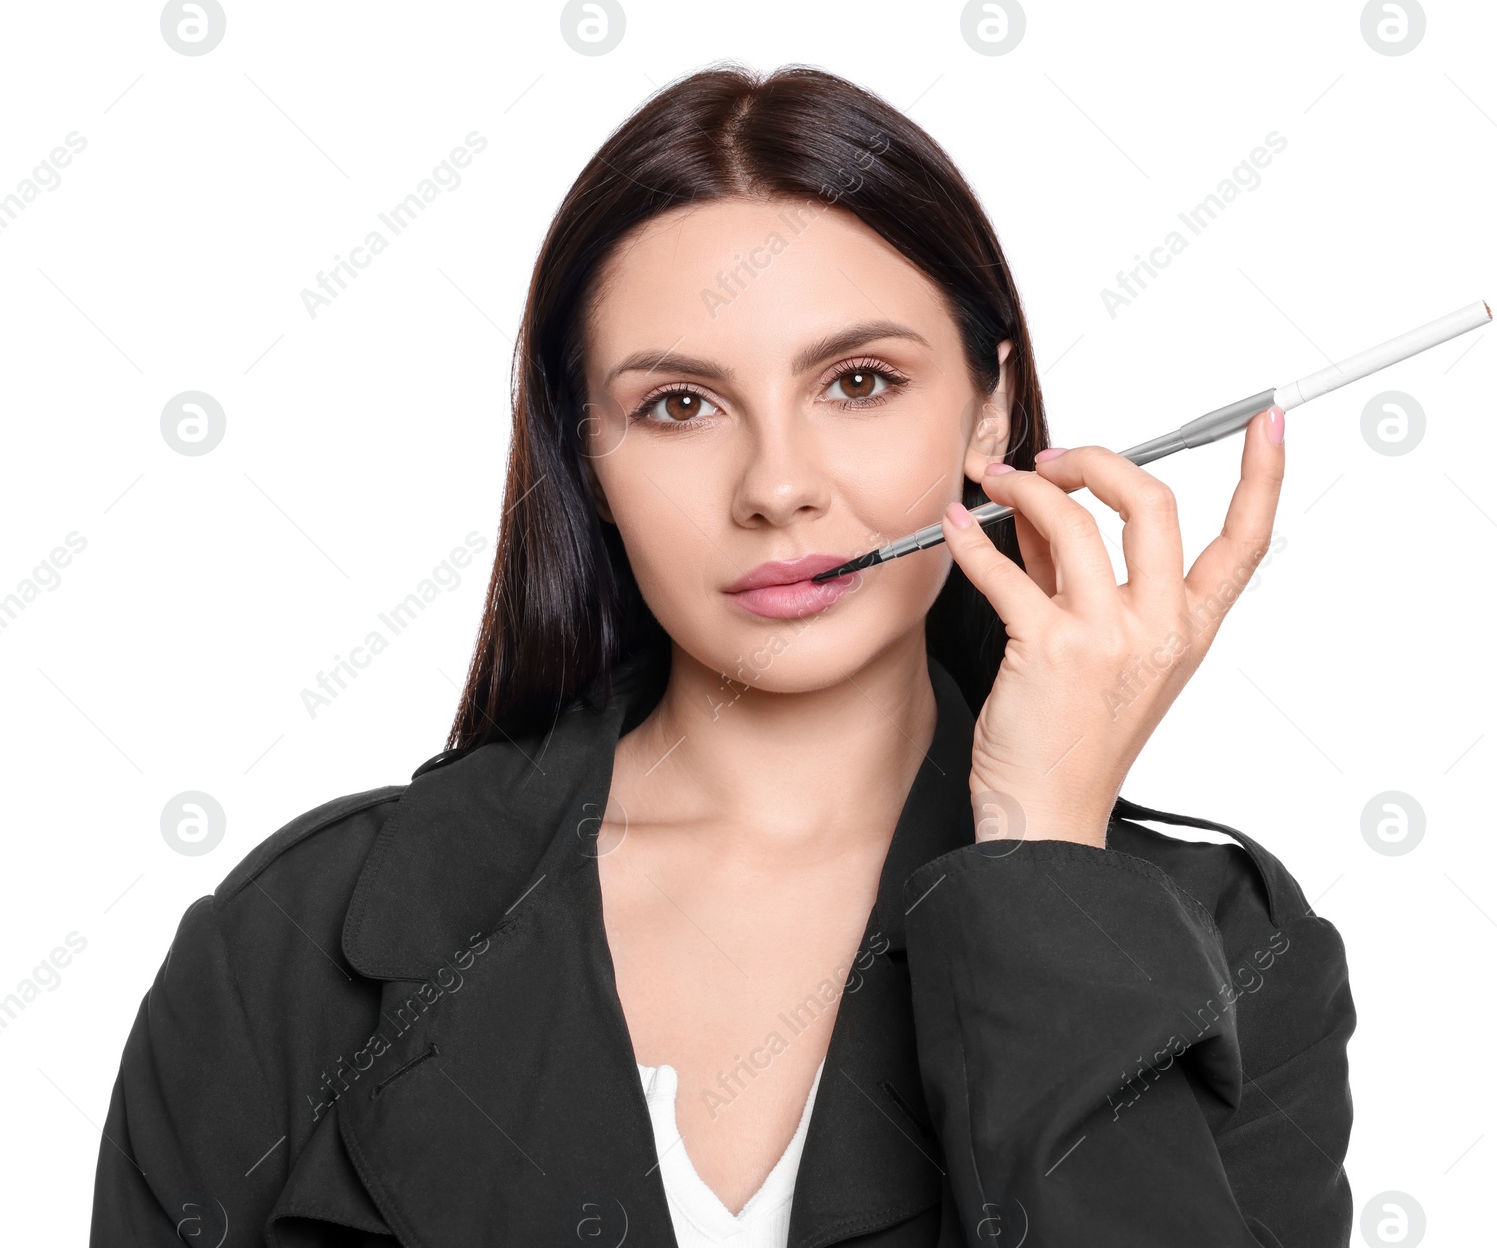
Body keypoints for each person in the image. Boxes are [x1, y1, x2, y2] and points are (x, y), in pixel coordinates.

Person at [90, 62, 1354, 1247]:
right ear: (586, 453)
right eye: (677, 405)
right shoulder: (292, 944)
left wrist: (1042, 856)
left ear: (989, 411)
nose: (778, 486)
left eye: (858, 381)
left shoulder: (1233, 947)